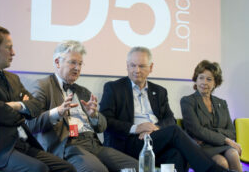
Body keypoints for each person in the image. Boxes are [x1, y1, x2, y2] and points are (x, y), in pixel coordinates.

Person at [0, 26, 75, 172]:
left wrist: (17, 106)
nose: (14, 53)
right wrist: (23, 109)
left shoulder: (12, 78)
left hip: (18, 143)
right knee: (39, 169)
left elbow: (36, 106)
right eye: (9, 48)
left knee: (66, 168)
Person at [99, 46, 236, 172]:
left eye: (141, 66)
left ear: (151, 67)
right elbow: (106, 121)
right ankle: (214, 171)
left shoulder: (159, 91)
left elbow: (170, 119)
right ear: (127, 66)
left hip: (154, 140)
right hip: (129, 141)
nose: (137, 70)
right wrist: (137, 128)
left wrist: (155, 128)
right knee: (175, 132)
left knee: (176, 154)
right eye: (132, 65)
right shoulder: (114, 88)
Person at [26, 40, 138, 172]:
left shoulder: (83, 91)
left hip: (93, 144)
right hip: (68, 145)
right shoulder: (42, 86)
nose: (77, 68)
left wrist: (94, 115)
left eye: (80, 64)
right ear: (57, 62)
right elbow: (31, 124)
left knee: (139, 167)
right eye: (73, 62)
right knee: (98, 170)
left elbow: (102, 126)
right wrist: (57, 112)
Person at [180, 60, 242, 172]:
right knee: (222, 162)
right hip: (199, 148)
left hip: (216, 144)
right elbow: (196, 130)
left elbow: (232, 132)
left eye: (209, 79)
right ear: (196, 80)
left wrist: (209, 132)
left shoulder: (221, 103)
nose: (204, 82)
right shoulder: (187, 101)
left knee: (233, 154)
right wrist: (226, 140)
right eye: (201, 78)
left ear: (215, 83)